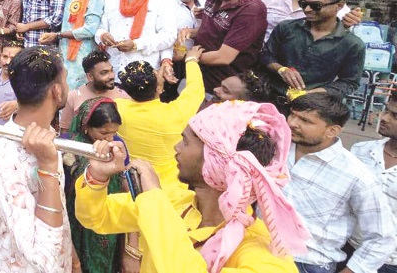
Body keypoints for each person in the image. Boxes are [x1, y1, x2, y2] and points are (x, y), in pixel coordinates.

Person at [78, 101, 309, 272]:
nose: (176, 147)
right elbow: (97, 218)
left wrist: (153, 198)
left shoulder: (263, 254)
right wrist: (97, 178)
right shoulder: (175, 200)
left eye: (186, 141)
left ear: (215, 162)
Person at [0, 46, 73, 272]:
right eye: (66, 80)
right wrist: (47, 167)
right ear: (57, 91)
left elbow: (58, 206)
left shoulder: (46, 136)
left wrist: (72, 258)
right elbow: (43, 255)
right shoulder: (1, 157)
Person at [284, 93, 395, 273]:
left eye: (305, 120)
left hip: (307, 263)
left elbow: (382, 237)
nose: (292, 123)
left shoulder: (356, 175)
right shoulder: (276, 147)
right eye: (292, 114)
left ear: (332, 131)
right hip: (255, 248)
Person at [261, 0, 365, 111]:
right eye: (303, 4)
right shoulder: (286, 28)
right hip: (269, 101)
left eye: (316, 5)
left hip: (310, 110)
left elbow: (349, 82)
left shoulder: (352, 44)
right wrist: (281, 69)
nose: (308, 9)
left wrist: (315, 93)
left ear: (339, 6)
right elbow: (266, 55)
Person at [115, 47, 205, 188]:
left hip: (135, 183)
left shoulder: (117, 109)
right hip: (173, 188)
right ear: (159, 88)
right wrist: (191, 60)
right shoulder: (175, 114)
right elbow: (196, 90)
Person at [64, 98, 125, 273]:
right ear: (86, 127)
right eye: (103, 133)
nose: (109, 138)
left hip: (110, 222)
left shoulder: (117, 147)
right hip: (78, 226)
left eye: (114, 133)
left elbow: (124, 186)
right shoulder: (69, 147)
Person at [191, 0, 268, 95]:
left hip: (221, 88)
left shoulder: (252, 11)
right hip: (197, 77)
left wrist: (189, 57)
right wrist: (190, 33)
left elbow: (223, 57)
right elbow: (210, 31)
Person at [96, 0, 177, 80]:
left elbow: (169, 36)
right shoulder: (111, 0)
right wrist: (103, 35)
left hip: (144, 73)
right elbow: (100, 28)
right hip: (114, 71)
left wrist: (136, 45)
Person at [39, 0, 105, 90]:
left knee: (79, 100)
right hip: (66, 55)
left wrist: (57, 35)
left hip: (83, 58)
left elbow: (90, 30)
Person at [351, 92, 397, 273]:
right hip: (351, 249)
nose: (384, 118)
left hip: (391, 262)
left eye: (395, 116)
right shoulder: (361, 150)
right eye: (386, 110)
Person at [60, 50, 129, 136]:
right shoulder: (73, 97)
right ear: (90, 77)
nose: (111, 76)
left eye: (111, 70)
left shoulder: (123, 96)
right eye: (104, 73)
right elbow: (65, 131)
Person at [0, 40, 23, 125]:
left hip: (13, 135)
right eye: (5, 56)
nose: (8, 62)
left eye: (13, 59)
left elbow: (36, 106)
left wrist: (18, 105)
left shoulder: (25, 80)